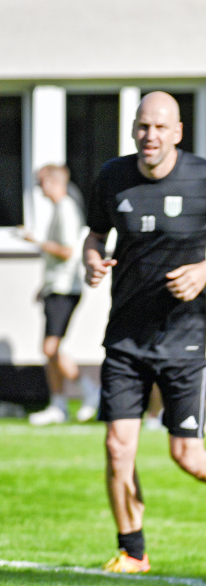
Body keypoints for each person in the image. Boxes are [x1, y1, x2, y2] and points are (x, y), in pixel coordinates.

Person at [83, 91, 206, 574]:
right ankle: (133, 551)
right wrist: (92, 260)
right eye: (143, 126)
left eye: (161, 127)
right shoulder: (112, 177)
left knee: (186, 454)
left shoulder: (205, 179)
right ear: (134, 130)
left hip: (186, 337)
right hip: (125, 336)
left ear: (178, 132)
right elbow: (95, 234)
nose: (151, 136)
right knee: (117, 447)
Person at [23, 164, 99, 425]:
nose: (38, 188)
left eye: (40, 182)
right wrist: (43, 286)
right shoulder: (60, 208)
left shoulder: (66, 208)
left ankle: (87, 391)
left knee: (50, 347)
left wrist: (36, 242)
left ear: (53, 182)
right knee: (50, 349)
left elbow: (67, 251)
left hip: (65, 288)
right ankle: (60, 403)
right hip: (55, 287)